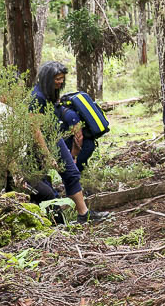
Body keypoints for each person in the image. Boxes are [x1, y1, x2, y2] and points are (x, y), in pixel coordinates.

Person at [29, 61, 109, 223]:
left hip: (53, 138)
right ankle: (55, 220)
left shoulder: (49, 94)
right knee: (43, 182)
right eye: (56, 79)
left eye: (61, 79)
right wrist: (46, 154)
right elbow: (35, 130)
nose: (60, 82)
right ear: (47, 78)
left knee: (71, 174)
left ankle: (83, 214)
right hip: (43, 143)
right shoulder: (37, 97)